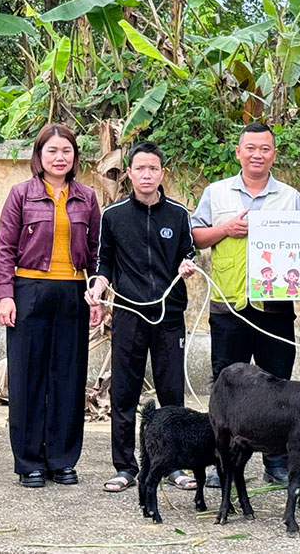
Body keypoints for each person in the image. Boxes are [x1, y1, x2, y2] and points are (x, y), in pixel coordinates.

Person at [191, 122, 300, 486]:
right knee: (226, 388)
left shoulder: (290, 197)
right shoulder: (216, 192)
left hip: (275, 309)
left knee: (278, 387)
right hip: (229, 307)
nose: (258, 154)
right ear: (238, 152)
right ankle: (222, 463)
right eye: (250, 148)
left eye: (265, 148)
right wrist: (226, 229)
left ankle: (277, 462)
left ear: (274, 153)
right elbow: (196, 236)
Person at [0, 124, 101, 488]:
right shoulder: (21, 195)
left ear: (74, 157)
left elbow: (98, 253)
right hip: (29, 290)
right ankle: (29, 462)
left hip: (73, 292)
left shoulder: (86, 197)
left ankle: (62, 460)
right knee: (27, 378)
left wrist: (97, 293)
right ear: (39, 156)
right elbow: (5, 248)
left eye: (66, 151)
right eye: (52, 151)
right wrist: (5, 294)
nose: (60, 158)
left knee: (68, 378)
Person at [87, 141, 196, 493]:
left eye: (153, 168)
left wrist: (186, 267)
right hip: (129, 315)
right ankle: (125, 466)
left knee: (171, 393)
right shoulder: (114, 216)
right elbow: (104, 264)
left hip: (169, 315)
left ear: (162, 173)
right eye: (140, 168)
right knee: (124, 393)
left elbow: (188, 253)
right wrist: (98, 288)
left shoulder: (178, 215)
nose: (147, 174)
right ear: (129, 173)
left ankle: (175, 465)